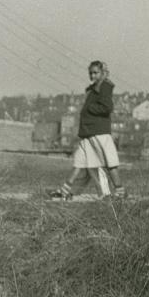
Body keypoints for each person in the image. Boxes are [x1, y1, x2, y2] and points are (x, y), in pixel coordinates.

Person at [50, 60, 125, 200]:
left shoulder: (105, 87)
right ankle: (65, 190)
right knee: (79, 162)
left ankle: (117, 192)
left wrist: (89, 109)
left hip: (98, 132)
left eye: (96, 73)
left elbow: (107, 108)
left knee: (106, 164)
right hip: (88, 133)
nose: (92, 75)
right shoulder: (94, 88)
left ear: (103, 73)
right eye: (90, 73)